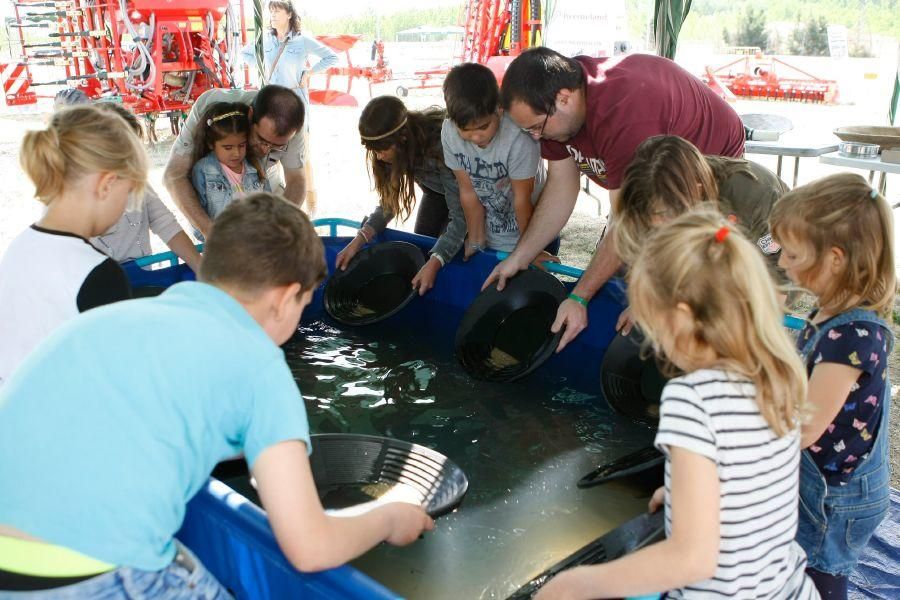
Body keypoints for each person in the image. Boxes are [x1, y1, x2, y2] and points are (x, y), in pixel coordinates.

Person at [0, 193, 434, 597]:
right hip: (86, 568)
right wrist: (389, 519)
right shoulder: (260, 367)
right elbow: (309, 546)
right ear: (285, 299)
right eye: (304, 304)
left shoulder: (125, 316)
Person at [535, 209, 817, 599]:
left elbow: (693, 558)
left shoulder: (693, 398)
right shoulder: (776, 371)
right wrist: (684, 492)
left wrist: (580, 583)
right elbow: (751, 475)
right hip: (783, 587)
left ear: (682, 317)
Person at [484, 47, 745, 352]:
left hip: (709, 166)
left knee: (690, 272)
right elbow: (561, 188)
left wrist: (580, 296)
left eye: (536, 128)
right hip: (645, 182)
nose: (535, 138)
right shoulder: (557, 120)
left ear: (564, 98)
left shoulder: (625, 111)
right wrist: (521, 256)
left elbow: (627, 221)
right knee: (625, 276)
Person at [770, 174, 895, 600]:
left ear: (835, 259)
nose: (782, 263)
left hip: (836, 497)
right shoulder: (831, 309)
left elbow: (805, 427)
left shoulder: (854, 335)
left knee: (819, 577)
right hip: (829, 475)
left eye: (791, 253)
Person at [0, 105, 145, 387]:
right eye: (128, 193)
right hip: (68, 420)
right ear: (107, 184)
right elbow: (120, 377)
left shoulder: (18, 249)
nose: (125, 207)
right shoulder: (97, 272)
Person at [614, 134, 789, 333]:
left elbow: (779, 276)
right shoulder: (650, 194)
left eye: (663, 215)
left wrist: (757, 336)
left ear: (696, 191)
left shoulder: (753, 194)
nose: (659, 226)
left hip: (759, 269)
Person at [335, 95, 465, 296]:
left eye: (381, 150)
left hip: (466, 198)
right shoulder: (387, 150)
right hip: (435, 193)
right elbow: (389, 203)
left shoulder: (439, 146)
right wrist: (360, 239)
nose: (378, 156)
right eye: (373, 151)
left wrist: (437, 260)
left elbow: (461, 215)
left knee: (445, 256)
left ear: (402, 137)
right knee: (420, 252)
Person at [441, 62, 556, 263]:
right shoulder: (449, 133)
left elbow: (522, 198)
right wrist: (476, 239)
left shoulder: (518, 136)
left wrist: (529, 251)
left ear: (499, 109)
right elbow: (467, 191)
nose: (476, 137)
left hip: (534, 228)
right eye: (466, 131)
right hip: (493, 228)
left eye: (483, 127)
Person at [164, 84, 306, 239]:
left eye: (277, 146)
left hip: (263, 184)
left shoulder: (292, 128)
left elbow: (296, 180)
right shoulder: (210, 107)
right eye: (261, 139)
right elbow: (173, 176)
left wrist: (280, 224)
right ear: (250, 115)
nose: (265, 151)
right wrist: (209, 231)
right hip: (216, 197)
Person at [242, 0, 339, 216]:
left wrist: (309, 73)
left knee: (300, 158)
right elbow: (245, 54)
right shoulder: (263, 40)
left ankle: (310, 203)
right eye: (271, 11)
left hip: (295, 109)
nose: (273, 15)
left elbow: (331, 56)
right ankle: (278, 201)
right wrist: (261, 70)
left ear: (289, 14)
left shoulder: (302, 41)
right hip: (269, 108)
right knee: (269, 154)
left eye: (277, 11)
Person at [87, 102, 202, 272]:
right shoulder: (76, 197)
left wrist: (200, 268)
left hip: (140, 278)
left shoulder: (137, 183)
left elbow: (165, 223)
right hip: (99, 287)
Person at [190, 102, 269, 232]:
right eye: (228, 148)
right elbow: (198, 220)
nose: (236, 153)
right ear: (211, 144)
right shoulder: (203, 170)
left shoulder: (255, 165)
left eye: (242, 145)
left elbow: (270, 206)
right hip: (226, 245)